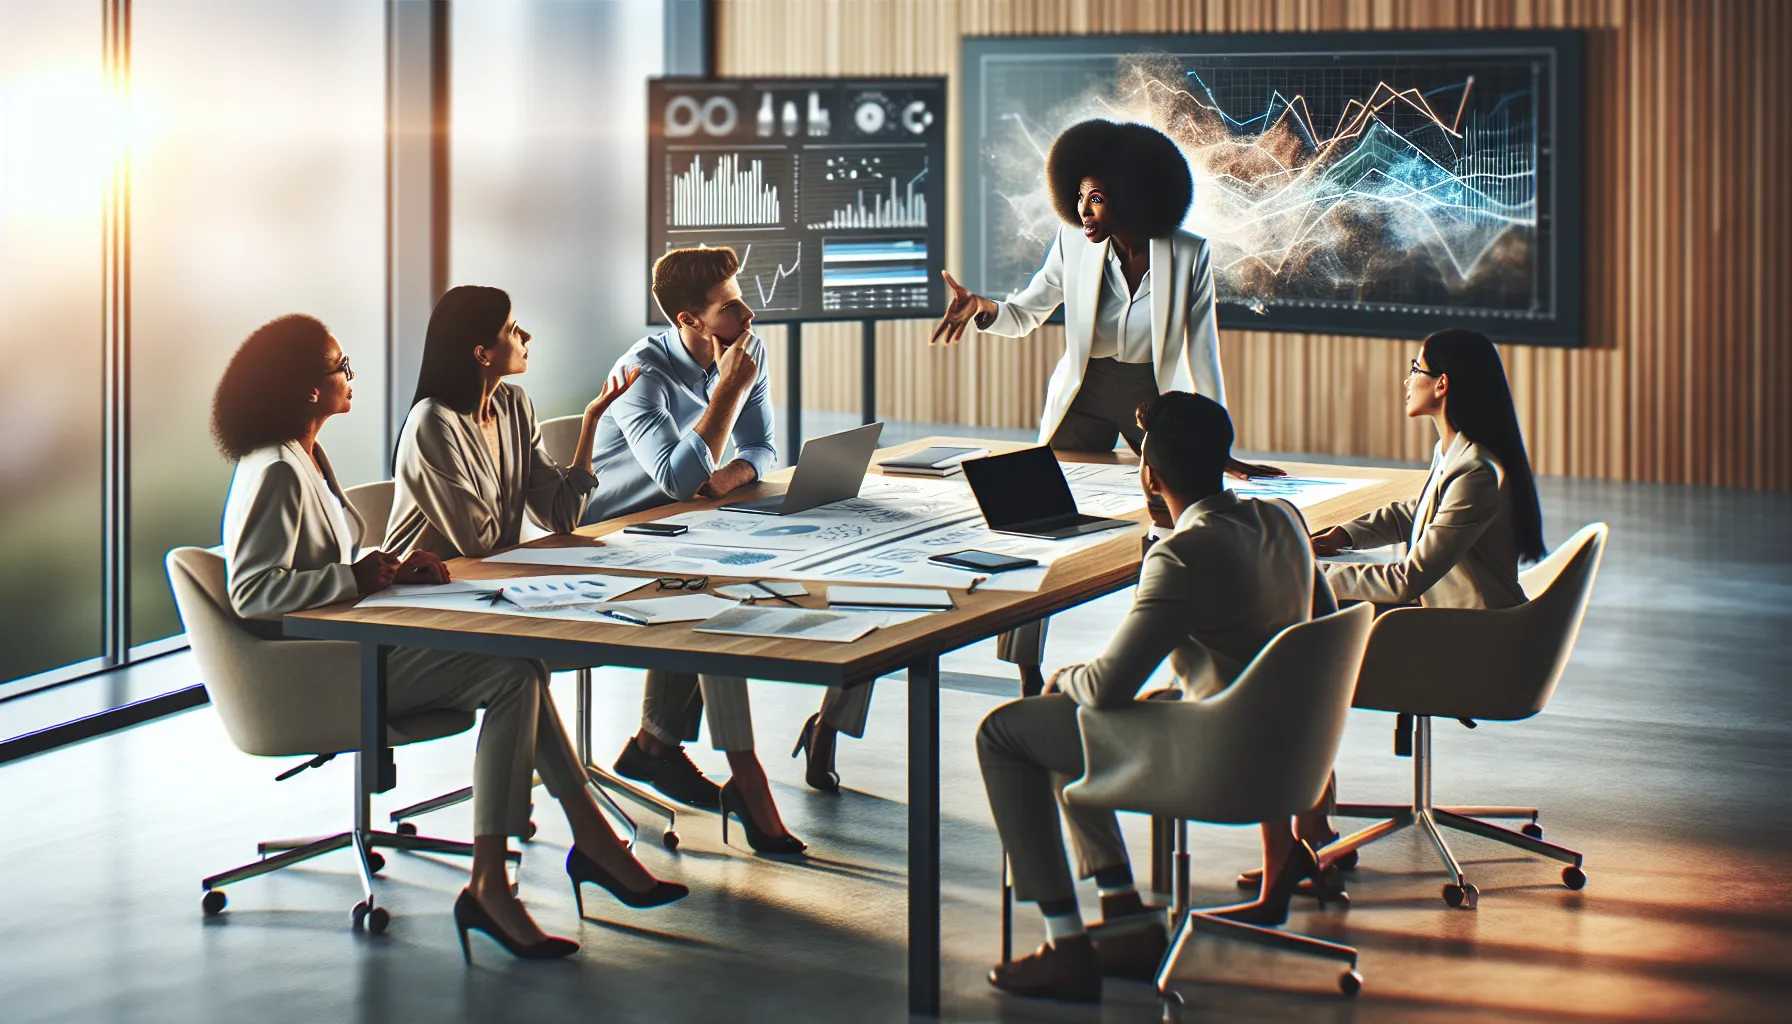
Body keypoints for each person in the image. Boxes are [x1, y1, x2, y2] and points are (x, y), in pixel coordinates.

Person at [214, 314, 685, 963]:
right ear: (305, 389)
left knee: (515, 666)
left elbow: (324, 559)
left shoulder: (306, 455)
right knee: (512, 671)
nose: (350, 374)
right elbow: (252, 592)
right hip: (321, 671)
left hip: (352, 644)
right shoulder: (276, 469)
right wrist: (353, 575)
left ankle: (538, 863)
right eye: (337, 365)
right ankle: (532, 869)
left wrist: (385, 563)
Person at [975, 392, 1335, 1004]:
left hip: (1219, 755)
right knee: (1067, 719)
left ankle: (1068, 946)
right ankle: (1124, 919)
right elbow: (1321, 629)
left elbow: (1109, 686)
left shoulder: (1182, 555)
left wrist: (1065, 676)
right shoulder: (1285, 522)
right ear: (1224, 462)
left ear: (1149, 473)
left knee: (1012, 730)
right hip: (1295, 750)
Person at [929, 119, 1280, 695]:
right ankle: (1025, 669)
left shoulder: (1190, 254)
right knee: (1035, 523)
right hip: (1084, 396)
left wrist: (1218, 448)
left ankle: (1169, 666)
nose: (1082, 211)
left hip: (1154, 402)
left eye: (1096, 198)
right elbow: (1026, 314)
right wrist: (985, 309)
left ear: (1134, 194)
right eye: (1079, 197)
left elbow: (1203, 351)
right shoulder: (1071, 245)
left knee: (1174, 525)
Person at [580, 246, 870, 854]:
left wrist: (726, 478)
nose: (750, 314)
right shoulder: (643, 377)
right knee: (721, 596)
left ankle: (655, 747)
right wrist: (729, 394)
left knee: (844, 553)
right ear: (689, 320)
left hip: (693, 524)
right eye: (731, 306)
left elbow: (763, 446)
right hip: (617, 539)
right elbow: (677, 479)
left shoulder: (745, 349)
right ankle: (747, 779)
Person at [384, 285, 638, 560]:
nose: (526, 337)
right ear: (483, 354)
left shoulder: (515, 404)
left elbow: (562, 516)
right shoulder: (432, 421)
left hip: (489, 577)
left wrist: (591, 420)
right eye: (512, 329)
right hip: (419, 587)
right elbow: (478, 541)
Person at [1313, 327, 1545, 609]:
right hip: (1445, 615)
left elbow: (1406, 580)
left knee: (1319, 607)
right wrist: (1346, 535)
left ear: (1441, 384)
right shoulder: (1455, 452)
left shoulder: (1476, 472)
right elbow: (1417, 513)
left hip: (1473, 631)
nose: (1406, 381)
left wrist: (1315, 575)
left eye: (1415, 369)